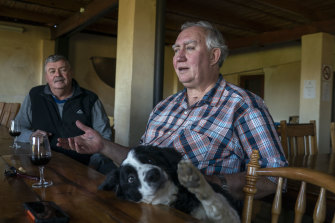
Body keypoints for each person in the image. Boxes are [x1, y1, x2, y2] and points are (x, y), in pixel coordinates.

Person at [57, 21, 288, 200]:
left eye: (189, 48)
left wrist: (208, 182)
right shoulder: (163, 107)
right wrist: (103, 146)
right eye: (176, 49)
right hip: (143, 203)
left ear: (213, 56)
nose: (178, 57)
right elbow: (140, 161)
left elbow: (275, 179)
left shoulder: (243, 105)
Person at [15, 54, 114, 168]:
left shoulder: (90, 99)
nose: (58, 75)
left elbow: (105, 138)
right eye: (52, 71)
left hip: (82, 166)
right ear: (46, 76)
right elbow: (18, 129)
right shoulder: (34, 95)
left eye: (63, 70)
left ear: (71, 73)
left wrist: (93, 167)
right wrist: (31, 136)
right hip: (43, 164)